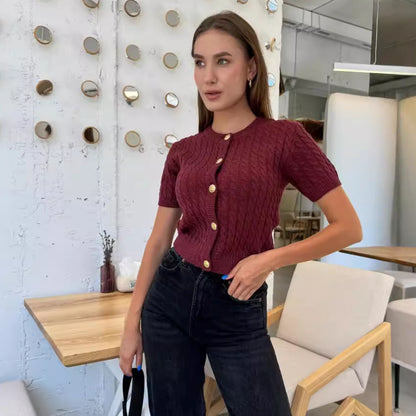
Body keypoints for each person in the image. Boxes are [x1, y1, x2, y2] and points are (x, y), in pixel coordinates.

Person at [119, 10, 362, 416]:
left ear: (251, 68)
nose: (208, 77)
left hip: (237, 307)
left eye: (223, 61)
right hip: (169, 302)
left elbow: (348, 227)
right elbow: (159, 241)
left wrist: (269, 260)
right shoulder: (183, 152)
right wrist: (132, 325)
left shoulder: (285, 139)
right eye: (200, 63)